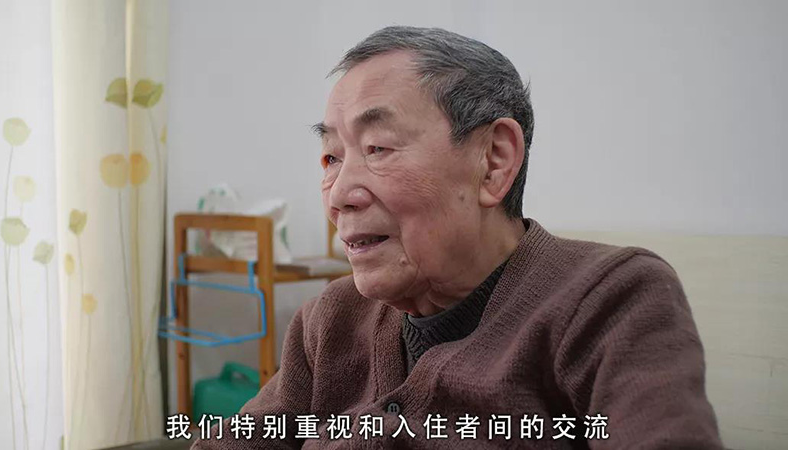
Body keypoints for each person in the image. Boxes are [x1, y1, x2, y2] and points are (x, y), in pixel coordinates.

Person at [192, 26, 722, 449]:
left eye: (378, 148)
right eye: (331, 157)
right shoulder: (330, 320)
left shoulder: (610, 300)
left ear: (493, 161)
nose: (340, 196)